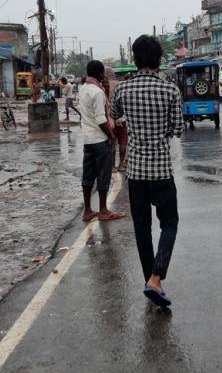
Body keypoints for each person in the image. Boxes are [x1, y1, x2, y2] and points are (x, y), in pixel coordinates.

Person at [111, 35, 184, 308]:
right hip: (161, 170)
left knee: (142, 229)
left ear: (134, 60)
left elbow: (116, 116)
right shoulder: (170, 90)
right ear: (159, 60)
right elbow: (177, 129)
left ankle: (151, 282)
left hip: (136, 171)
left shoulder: (122, 90)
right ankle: (156, 278)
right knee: (170, 224)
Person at [78, 61, 125, 223]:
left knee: (88, 175)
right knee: (103, 175)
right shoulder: (97, 92)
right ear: (99, 73)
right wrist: (112, 136)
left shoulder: (83, 89)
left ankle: (88, 210)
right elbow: (100, 118)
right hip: (100, 139)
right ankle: (103, 210)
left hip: (87, 139)